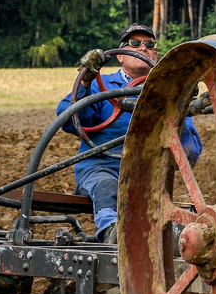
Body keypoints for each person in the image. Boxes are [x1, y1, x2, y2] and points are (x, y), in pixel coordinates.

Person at [56, 22, 201, 243]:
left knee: (158, 202)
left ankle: (171, 237)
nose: (143, 48)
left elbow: (189, 154)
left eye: (149, 44)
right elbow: (68, 118)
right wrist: (85, 80)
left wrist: (181, 107)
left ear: (155, 55)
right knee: (107, 185)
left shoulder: (166, 93)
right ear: (120, 55)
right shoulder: (100, 84)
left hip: (147, 176)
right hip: (101, 168)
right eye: (134, 43)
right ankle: (112, 230)